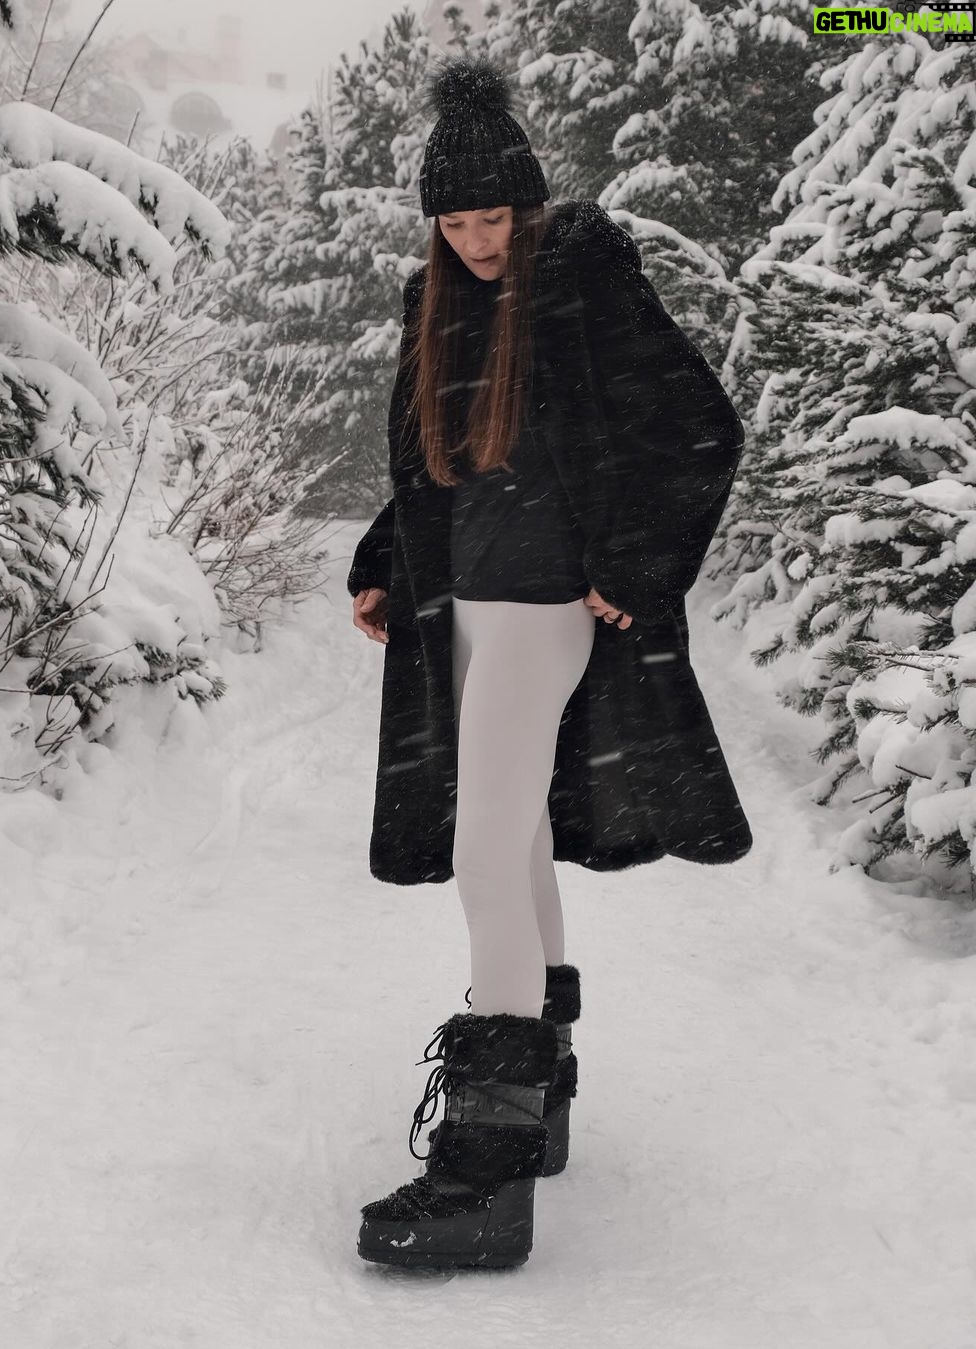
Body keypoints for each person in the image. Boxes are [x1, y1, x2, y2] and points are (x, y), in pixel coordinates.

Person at [349, 54, 750, 1271]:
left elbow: (699, 425)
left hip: (543, 605)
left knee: (482, 848)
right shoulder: (439, 306)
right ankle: (545, 1093)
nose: (478, 242)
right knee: (514, 841)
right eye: (456, 223)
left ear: (528, 206)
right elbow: (433, 463)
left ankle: (487, 1160)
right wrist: (385, 560)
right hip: (465, 602)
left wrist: (636, 564)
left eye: (494, 218)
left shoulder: (582, 281)